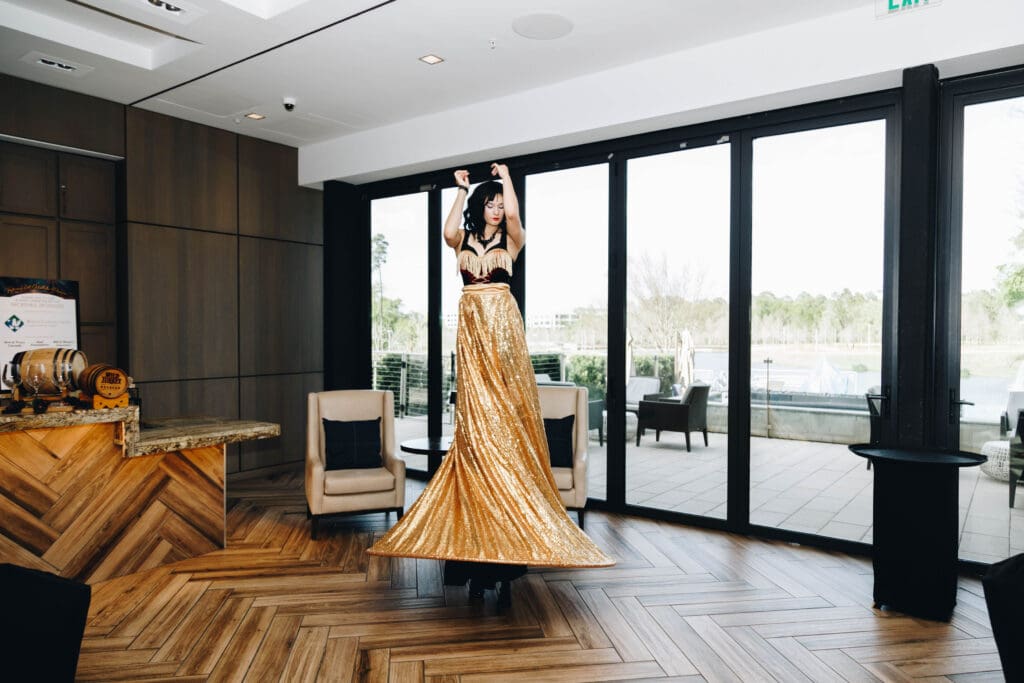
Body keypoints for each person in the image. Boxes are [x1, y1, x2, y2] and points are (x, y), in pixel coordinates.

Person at [368, 162, 613, 605]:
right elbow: (446, 233)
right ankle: (476, 552)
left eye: (500, 203)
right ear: (481, 207)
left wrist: (506, 180)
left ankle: (501, 556)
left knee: (504, 404)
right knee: (474, 411)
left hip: (501, 322)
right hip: (470, 324)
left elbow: (518, 219)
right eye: (492, 203)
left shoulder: (511, 240)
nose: (498, 209)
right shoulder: (464, 239)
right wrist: (460, 191)